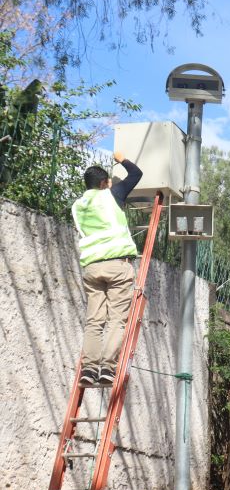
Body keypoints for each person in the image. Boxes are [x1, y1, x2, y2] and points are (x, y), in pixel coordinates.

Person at [71, 152, 143, 387]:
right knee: (115, 321)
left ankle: (88, 370)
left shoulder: (79, 205)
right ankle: (107, 369)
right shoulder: (111, 195)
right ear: (104, 183)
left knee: (94, 321)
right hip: (117, 265)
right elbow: (136, 174)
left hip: (92, 267)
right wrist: (122, 158)